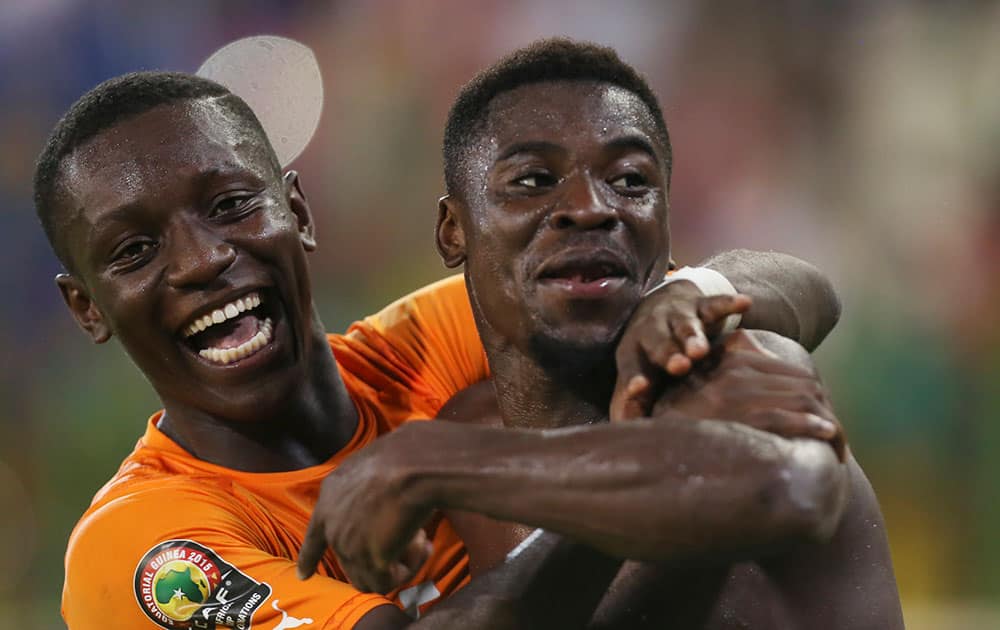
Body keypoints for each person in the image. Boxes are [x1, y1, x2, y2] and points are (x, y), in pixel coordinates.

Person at [39, 71, 841, 629]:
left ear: (298, 211)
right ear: (87, 308)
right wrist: (655, 472)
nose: (201, 260)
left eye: (230, 205)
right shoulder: (142, 548)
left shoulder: (432, 345)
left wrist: (690, 298)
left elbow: (800, 286)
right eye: (134, 251)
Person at [298, 39, 904, 628]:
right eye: (534, 180)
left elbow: (788, 489)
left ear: (666, 216)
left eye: (631, 180)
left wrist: (435, 464)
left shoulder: (733, 364)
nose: (591, 206)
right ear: (453, 231)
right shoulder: (461, 435)